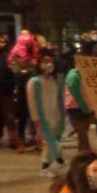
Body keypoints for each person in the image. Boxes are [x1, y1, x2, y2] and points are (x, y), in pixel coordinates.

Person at [27, 49, 66, 177]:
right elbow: (32, 103)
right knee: (51, 143)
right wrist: (36, 121)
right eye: (45, 62)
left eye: (51, 62)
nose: (49, 64)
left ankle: (45, 167)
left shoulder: (55, 81)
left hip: (55, 117)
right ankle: (59, 161)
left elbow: (59, 99)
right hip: (42, 119)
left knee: (49, 144)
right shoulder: (34, 82)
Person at [8, 29, 40, 148]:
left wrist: (27, 70)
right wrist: (27, 71)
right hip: (22, 88)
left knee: (36, 115)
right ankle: (20, 140)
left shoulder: (36, 51)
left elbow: (36, 69)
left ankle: (37, 139)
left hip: (35, 87)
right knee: (22, 115)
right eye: (23, 34)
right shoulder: (16, 53)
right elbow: (16, 71)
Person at [64, 45, 95, 153]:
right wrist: (87, 109)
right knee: (83, 136)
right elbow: (78, 96)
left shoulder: (85, 75)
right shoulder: (73, 76)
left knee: (83, 136)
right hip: (76, 109)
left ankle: (84, 158)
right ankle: (87, 158)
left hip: (85, 108)